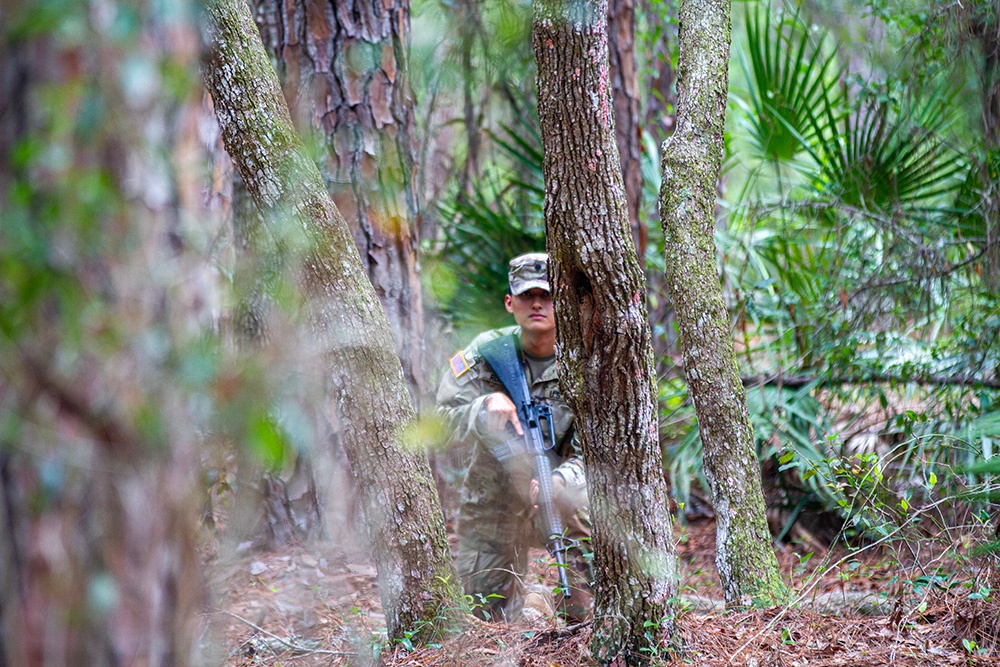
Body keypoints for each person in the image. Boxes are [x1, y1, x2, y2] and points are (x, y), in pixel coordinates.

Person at [436, 252, 593, 623]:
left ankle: (557, 603)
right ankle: (530, 608)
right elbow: (438, 423)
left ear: (564, 302)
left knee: (583, 618)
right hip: (494, 501)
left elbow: (599, 452)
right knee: (484, 616)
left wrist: (558, 480)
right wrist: (482, 407)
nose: (536, 304)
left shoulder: (584, 361)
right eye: (526, 296)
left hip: (560, 500)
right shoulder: (486, 354)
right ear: (510, 302)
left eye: (547, 295)